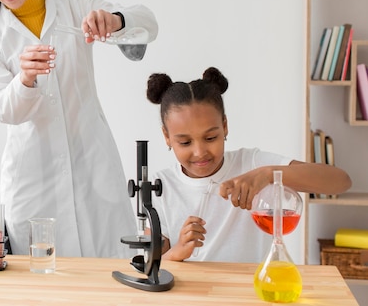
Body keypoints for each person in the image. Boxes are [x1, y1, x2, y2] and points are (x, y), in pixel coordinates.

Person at [0, 0, 159, 258]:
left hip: (93, 167)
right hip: (33, 181)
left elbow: (147, 23)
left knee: (111, 272)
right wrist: (24, 79)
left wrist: (114, 21)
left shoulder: (74, 9)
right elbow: (4, 109)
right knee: (45, 282)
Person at [147, 67, 352, 263]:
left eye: (210, 138)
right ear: (167, 136)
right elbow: (150, 269)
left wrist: (268, 175)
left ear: (225, 126)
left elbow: (340, 182)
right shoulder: (159, 186)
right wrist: (176, 253)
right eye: (185, 142)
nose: (200, 152)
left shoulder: (252, 163)